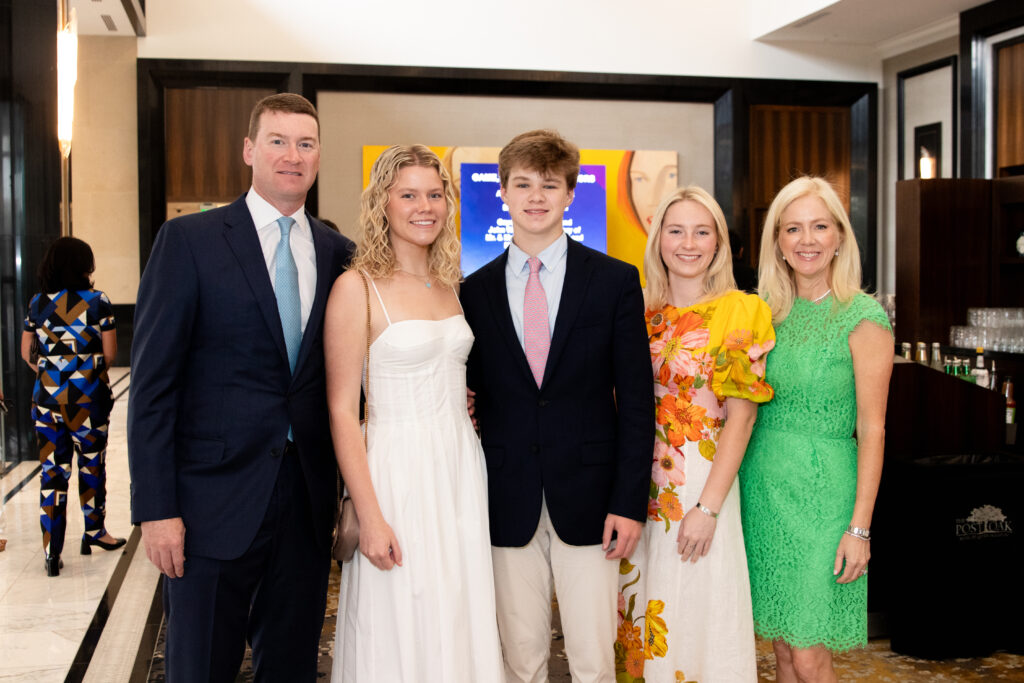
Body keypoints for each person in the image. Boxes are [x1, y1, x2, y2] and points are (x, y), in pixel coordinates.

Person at [127, 93, 354, 682]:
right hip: (208, 505)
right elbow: (153, 387)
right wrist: (156, 509)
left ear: (319, 157)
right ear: (249, 149)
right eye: (277, 141)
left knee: (291, 665)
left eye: (305, 144)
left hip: (305, 503)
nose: (292, 155)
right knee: (200, 666)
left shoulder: (339, 255)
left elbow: (349, 380)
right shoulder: (190, 242)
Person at [460, 129, 654, 683]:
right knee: (520, 658)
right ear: (503, 192)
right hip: (505, 494)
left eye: (550, 184)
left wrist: (629, 501)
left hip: (593, 500)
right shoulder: (473, 292)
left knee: (594, 659)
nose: (536, 196)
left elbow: (637, 402)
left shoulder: (614, 281)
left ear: (570, 193)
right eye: (522, 183)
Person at [326, 144, 502, 682]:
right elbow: (339, 410)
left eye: (434, 194)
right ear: (383, 203)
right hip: (396, 474)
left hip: (459, 467)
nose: (423, 206)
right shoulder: (356, 287)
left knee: (457, 605)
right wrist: (371, 515)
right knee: (400, 612)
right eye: (408, 195)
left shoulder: (452, 285)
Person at [614, 187, 774, 682]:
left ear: (720, 243)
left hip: (703, 483)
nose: (689, 243)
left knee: (703, 611)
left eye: (702, 231)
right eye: (676, 230)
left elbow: (742, 419)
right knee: (643, 609)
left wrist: (707, 508)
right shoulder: (639, 313)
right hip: (639, 484)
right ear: (658, 238)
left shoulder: (740, 311)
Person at [740, 176, 893, 682]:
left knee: (808, 652)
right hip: (763, 489)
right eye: (793, 229)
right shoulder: (765, 312)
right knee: (782, 648)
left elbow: (872, 430)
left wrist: (859, 528)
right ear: (778, 243)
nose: (807, 240)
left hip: (824, 496)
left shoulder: (862, 316)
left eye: (820, 226)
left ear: (839, 237)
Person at [21, 237, 124, 577]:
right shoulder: (98, 302)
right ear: (84, 264)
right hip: (88, 399)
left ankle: (52, 550)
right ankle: (95, 532)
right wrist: (82, 373)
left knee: (52, 473)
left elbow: (27, 352)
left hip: (48, 401)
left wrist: (52, 374)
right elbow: (109, 354)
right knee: (92, 465)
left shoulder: (37, 304)